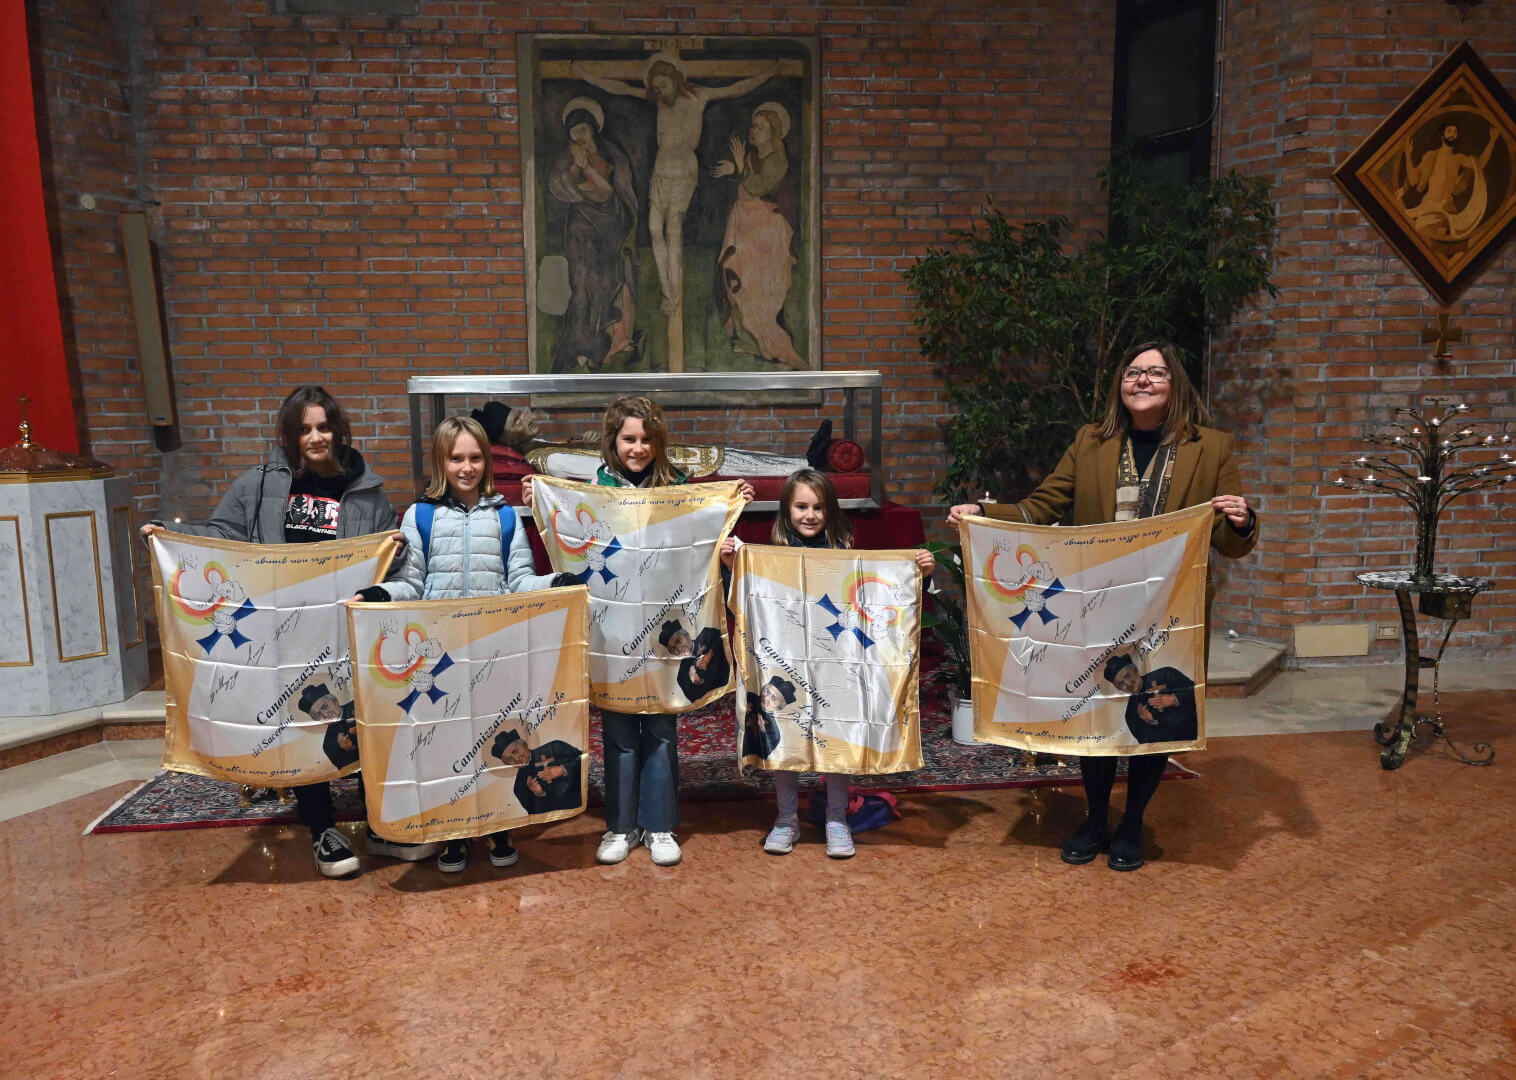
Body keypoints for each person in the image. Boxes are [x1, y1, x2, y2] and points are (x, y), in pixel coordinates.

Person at [949, 341, 1259, 872]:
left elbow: (1228, 540)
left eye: (1155, 372)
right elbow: (1043, 504)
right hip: (1097, 604)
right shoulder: (1091, 441)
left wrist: (1242, 520)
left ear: (1175, 384)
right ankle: (1095, 818)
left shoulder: (1212, 448)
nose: (1142, 380)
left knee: (1156, 708)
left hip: (1169, 609)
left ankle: (1132, 821)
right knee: (1095, 708)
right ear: (1121, 384)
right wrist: (984, 511)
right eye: (1133, 372)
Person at [139, 385, 438, 878]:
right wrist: (172, 536)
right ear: (290, 435)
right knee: (302, 724)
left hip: (344, 628)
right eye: (304, 430)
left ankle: (380, 825)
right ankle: (321, 828)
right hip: (285, 633)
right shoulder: (260, 485)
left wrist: (397, 550)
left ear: (338, 430)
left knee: (361, 720)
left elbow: (386, 561)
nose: (315, 438)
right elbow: (223, 535)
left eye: (323, 427)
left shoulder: (366, 489)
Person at [523, 395, 753, 867]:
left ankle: (660, 824)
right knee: (619, 730)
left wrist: (730, 505)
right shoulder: (595, 489)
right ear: (613, 441)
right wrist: (541, 500)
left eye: (647, 439)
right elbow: (574, 539)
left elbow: (700, 542)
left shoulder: (678, 488)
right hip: (613, 633)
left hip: (666, 630)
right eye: (629, 439)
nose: (638, 447)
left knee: (662, 727)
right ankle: (621, 826)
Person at [362, 415, 575, 874]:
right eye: (456, 458)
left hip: (491, 649)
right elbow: (412, 584)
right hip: (439, 657)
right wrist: (380, 594)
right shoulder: (419, 516)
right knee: (445, 741)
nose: (466, 467)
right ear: (441, 461)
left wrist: (555, 582)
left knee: (497, 735)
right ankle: (452, 832)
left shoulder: (504, 517)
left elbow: (518, 580)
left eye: (475, 457)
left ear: (487, 461)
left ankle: (498, 825)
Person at [722, 468, 935, 858]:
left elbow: (885, 593)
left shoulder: (848, 557)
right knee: (786, 729)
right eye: (801, 507)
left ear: (831, 511)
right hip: (785, 662)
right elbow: (742, 596)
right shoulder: (767, 557)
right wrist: (731, 563)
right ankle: (786, 819)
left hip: (837, 663)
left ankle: (837, 819)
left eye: (818, 507)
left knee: (839, 732)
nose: (810, 515)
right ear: (786, 510)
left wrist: (918, 571)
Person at [571, 55, 779, 315]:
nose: (661, 92)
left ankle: (675, 294)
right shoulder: (658, 100)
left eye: (664, 86)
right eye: (657, 89)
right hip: (660, 172)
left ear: (676, 79)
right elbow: (621, 88)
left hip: (683, 173)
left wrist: (768, 73)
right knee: (653, 228)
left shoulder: (699, 96)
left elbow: (735, 88)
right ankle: (666, 290)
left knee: (673, 230)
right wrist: (585, 74)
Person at [546, 97, 640, 371]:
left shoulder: (610, 155)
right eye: (574, 132)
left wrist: (586, 166)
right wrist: (577, 163)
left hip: (609, 229)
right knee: (582, 288)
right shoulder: (568, 158)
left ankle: (604, 346)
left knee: (607, 286)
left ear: (593, 129)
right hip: (581, 231)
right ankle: (580, 348)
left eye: (583, 130)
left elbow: (610, 192)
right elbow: (559, 186)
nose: (580, 136)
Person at [710, 101, 805, 368]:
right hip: (744, 221)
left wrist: (738, 167)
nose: (754, 131)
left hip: (765, 228)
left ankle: (764, 340)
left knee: (757, 283)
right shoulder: (753, 157)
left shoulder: (777, 160)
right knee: (734, 274)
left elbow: (756, 186)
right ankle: (747, 338)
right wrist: (737, 168)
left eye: (761, 128)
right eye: (753, 126)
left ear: (773, 132)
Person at [491, 730, 584, 815]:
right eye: (509, 759)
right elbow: (535, 816)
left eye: (515, 751)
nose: (516, 759)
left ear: (524, 744)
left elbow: (585, 760)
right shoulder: (519, 787)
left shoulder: (555, 747)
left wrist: (563, 769)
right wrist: (539, 793)